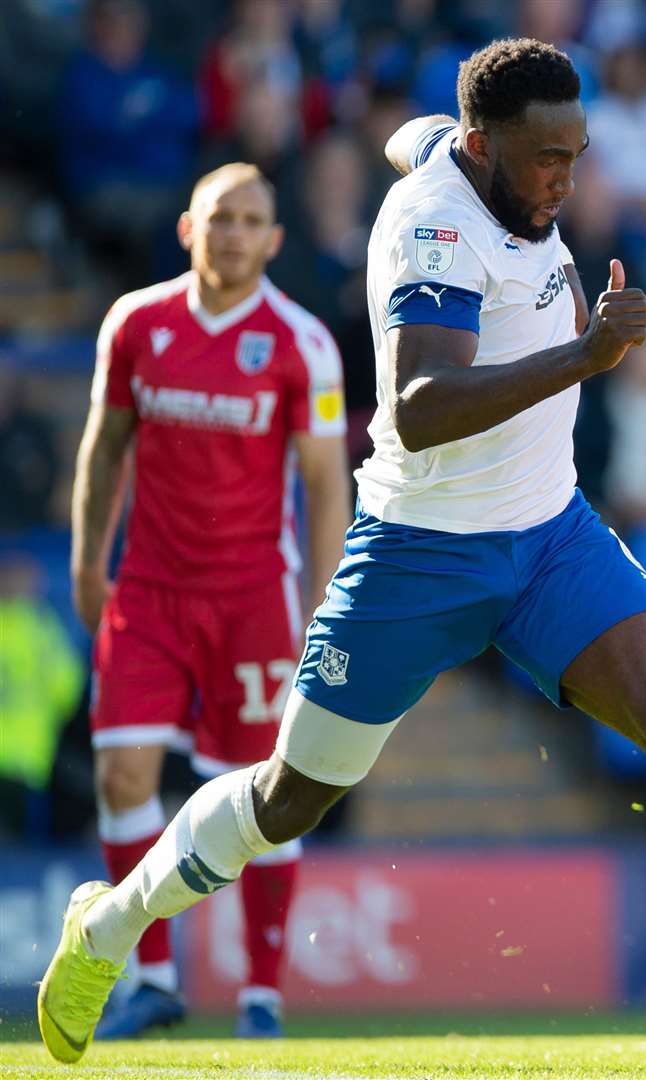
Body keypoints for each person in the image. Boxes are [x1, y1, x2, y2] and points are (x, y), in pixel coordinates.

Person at [38, 39, 646, 1066]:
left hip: (550, 536)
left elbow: (417, 138)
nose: (564, 178)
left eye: (576, 153)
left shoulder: (461, 159)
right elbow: (417, 409)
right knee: (287, 799)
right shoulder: (434, 231)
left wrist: (423, 144)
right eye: (545, 156)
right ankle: (105, 928)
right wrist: (584, 356)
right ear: (484, 145)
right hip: (417, 552)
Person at [63, 161, 350, 1042]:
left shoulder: (303, 343)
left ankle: (261, 997)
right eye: (218, 216)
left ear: (274, 238)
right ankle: (148, 980)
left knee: (261, 799)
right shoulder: (137, 324)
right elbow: (105, 446)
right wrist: (87, 558)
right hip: (147, 590)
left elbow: (325, 483)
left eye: (250, 219)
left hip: (252, 600)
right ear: (189, 228)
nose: (232, 232)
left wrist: (320, 605)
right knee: (121, 775)